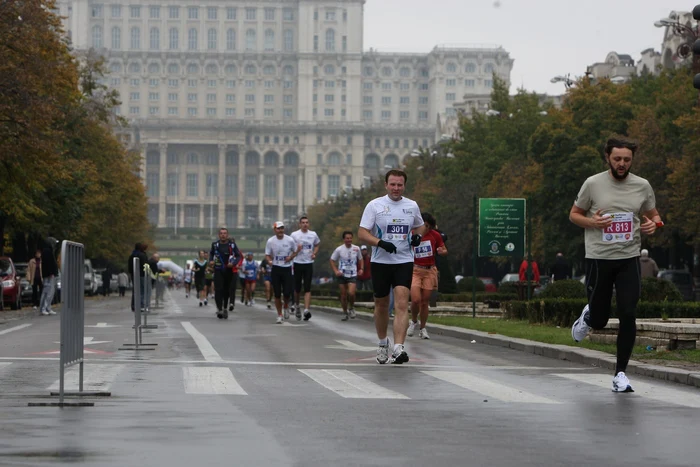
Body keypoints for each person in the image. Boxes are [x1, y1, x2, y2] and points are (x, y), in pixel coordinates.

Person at [570, 137, 663, 393]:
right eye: (617, 159)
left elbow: (654, 215)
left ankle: (620, 373)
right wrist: (593, 223)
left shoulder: (642, 186)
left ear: (632, 160)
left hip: (628, 257)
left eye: (627, 160)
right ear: (608, 158)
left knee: (628, 312)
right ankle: (589, 315)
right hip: (599, 258)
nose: (622, 164)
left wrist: (654, 224)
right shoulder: (593, 184)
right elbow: (574, 214)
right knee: (600, 320)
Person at [358, 169, 426, 365]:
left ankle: (398, 348)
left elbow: (420, 226)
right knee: (381, 305)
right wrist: (379, 242)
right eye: (393, 184)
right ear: (386, 185)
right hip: (380, 261)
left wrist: (417, 236)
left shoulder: (411, 206)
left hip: (404, 260)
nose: (396, 188)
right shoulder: (375, 205)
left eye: (400, 185)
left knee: (402, 303)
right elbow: (362, 233)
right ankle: (382, 344)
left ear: (404, 186)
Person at [408, 212, 447, 340]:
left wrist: (442, 251)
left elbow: (444, 249)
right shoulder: (412, 234)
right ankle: (413, 321)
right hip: (415, 270)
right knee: (415, 300)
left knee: (425, 302)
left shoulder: (435, 236)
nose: (426, 229)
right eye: (424, 225)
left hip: (430, 270)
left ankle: (423, 328)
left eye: (428, 226)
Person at [265, 221, 299, 323]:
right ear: (274, 230)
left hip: (287, 268)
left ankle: (286, 306)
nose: (280, 230)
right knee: (277, 294)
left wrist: (291, 257)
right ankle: (279, 314)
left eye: (282, 228)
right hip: (276, 268)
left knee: (287, 292)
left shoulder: (290, 240)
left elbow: (295, 251)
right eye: (278, 228)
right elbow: (267, 254)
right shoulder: (270, 241)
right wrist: (269, 261)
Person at [291, 216, 321, 321]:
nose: (305, 224)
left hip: (308, 263)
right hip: (297, 263)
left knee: (307, 288)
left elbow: (317, 245)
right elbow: (290, 248)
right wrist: (296, 250)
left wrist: (314, 253)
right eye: (303, 222)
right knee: (297, 288)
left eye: (306, 222)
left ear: (309, 224)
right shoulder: (294, 235)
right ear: (300, 224)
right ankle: (297, 305)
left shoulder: (313, 234)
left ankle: (306, 310)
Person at [209, 227, 243, 319]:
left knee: (226, 290)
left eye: (225, 233)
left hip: (229, 271)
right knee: (218, 289)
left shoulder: (232, 245)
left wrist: (233, 263)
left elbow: (238, 256)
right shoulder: (215, 245)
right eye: (221, 233)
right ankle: (219, 309)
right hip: (218, 270)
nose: (223, 235)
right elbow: (211, 254)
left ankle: (225, 308)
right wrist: (211, 261)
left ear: (227, 235)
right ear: (219, 235)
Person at [330, 231, 364, 321]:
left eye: (350, 238)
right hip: (342, 274)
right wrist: (336, 271)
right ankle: (345, 312)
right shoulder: (339, 249)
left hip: (352, 274)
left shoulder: (356, 249)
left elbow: (361, 259)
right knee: (344, 295)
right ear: (344, 239)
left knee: (351, 293)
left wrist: (361, 269)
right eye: (347, 238)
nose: (349, 240)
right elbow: (332, 260)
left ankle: (351, 307)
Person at [38, 236, 59, 316]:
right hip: (49, 275)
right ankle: (44, 308)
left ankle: (48, 307)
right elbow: (48, 264)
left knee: (50, 292)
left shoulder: (49, 251)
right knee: (47, 292)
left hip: (50, 274)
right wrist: (51, 272)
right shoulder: (47, 251)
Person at [128, 242, 148, 312]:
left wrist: (131, 273)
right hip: (141, 275)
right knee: (142, 290)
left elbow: (130, 266)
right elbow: (145, 265)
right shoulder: (142, 255)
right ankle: (141, 305)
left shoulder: (132, 255)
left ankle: (134, 305)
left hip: (134, 274)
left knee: (135, 290)